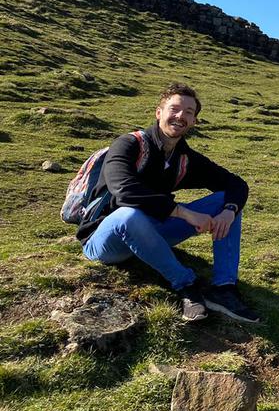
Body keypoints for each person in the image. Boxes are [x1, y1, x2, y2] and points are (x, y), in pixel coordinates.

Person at [77, 82, 259, 323]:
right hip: (107, 239)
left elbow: (236, 184)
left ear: (194, 122)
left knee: (226, 200)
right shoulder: (129, 144)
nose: (180, 116)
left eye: (189, 113)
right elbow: (124, 191)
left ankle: (224, 287)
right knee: (129, 215)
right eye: (174, 109)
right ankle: (187, 284)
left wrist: (230, 211)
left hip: (153, 232)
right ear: (159, 112)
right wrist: (183, 212)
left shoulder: (184, 158)